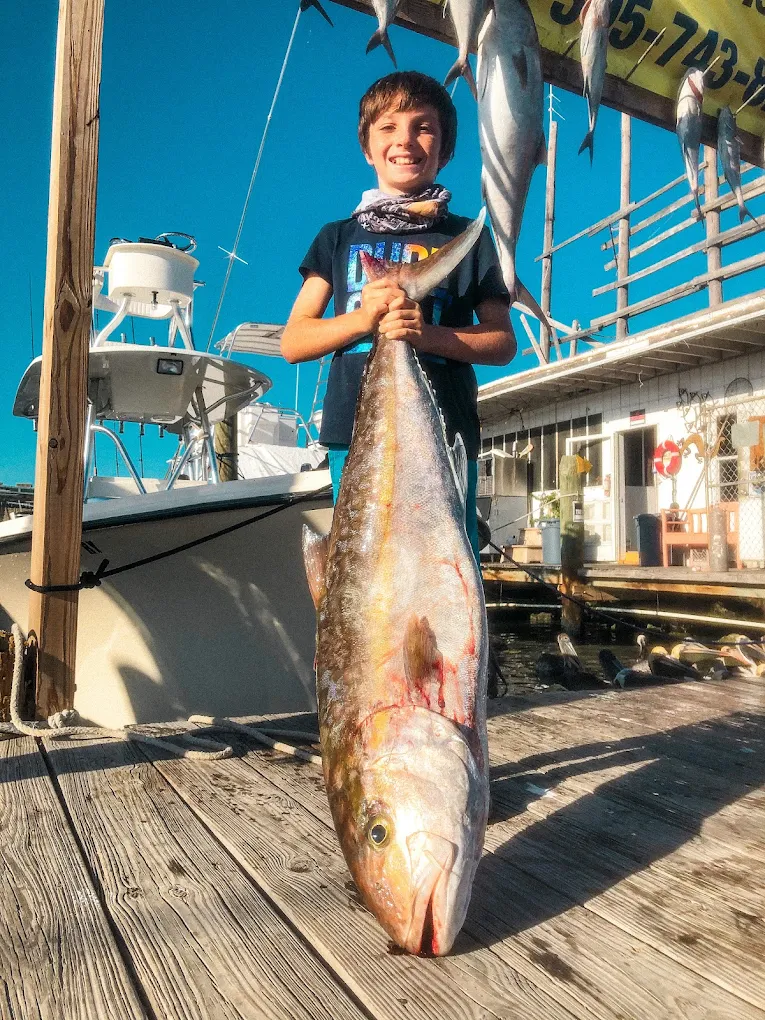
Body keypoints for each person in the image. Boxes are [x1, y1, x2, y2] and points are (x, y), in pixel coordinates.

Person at [281, 70, 516, 557]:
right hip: (355, 430)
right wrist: (363, 321)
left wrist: (424, 334)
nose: (405, 140)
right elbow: (294, 342)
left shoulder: (467, 239)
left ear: (446, 150)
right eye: (388, 127)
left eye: (423, 127)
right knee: (367, 568)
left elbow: (502, 342)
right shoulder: (337, 238)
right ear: (367, 148)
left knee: (442, 563)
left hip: (444, 433)